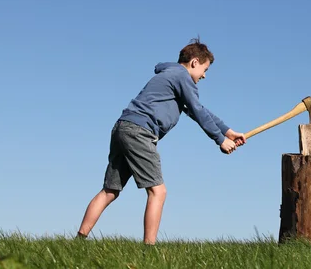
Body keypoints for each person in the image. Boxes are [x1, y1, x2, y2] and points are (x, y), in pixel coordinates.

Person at [76, 37, 246, 244]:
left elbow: (197, 111)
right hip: (140, 132)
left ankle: (79, 240)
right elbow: (197, 110)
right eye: (205, 69)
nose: (204, 76)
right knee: (158, 191)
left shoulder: (170, 75)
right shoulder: (182, 77)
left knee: (110, 190)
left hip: (123, 127)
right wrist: (219, 139)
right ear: (194, 62)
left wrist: (227, 131)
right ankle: (150, 249)